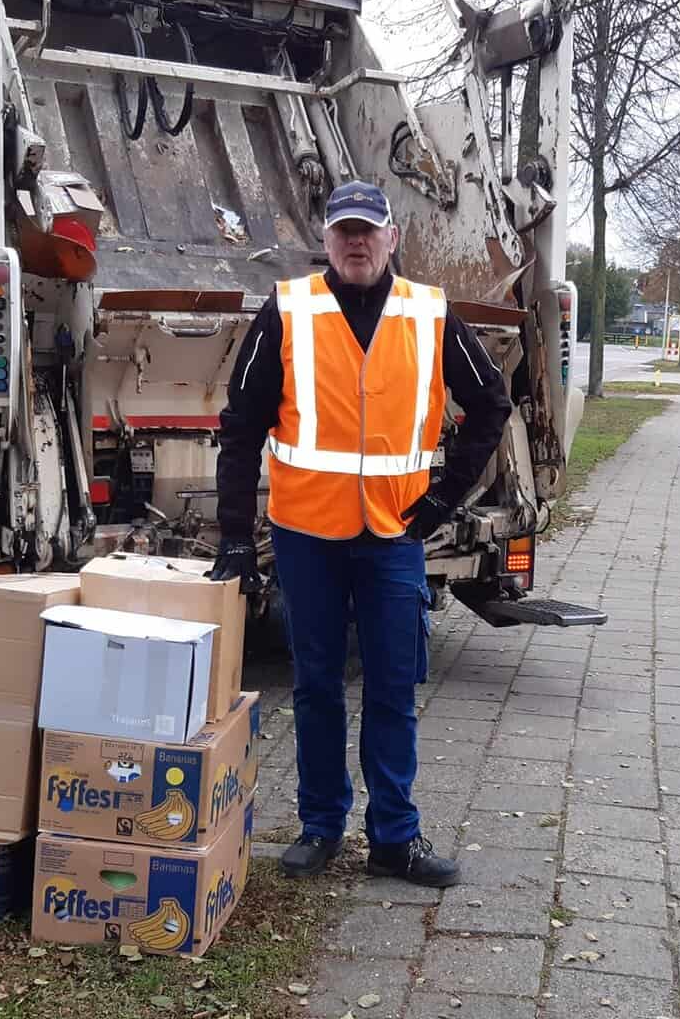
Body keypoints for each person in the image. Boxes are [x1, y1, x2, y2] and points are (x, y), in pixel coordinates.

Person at [208, 181, 511, 888]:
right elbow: (241, 426)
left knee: (394, 687)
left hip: (394, 539)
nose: (356, 241)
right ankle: (320, 826)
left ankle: (394, 838)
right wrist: (232, 536)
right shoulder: (288, 310)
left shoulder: (429, 314)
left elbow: (491, 402)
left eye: (368, 230)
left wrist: (441, 500)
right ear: (325, 237)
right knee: (315, 685)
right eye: (344, 230)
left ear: (392, 236)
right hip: (306, 535)